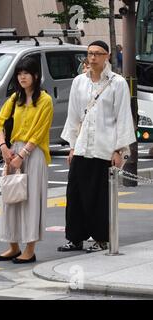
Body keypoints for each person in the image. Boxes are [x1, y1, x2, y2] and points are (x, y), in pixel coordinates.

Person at [58, 40, 136, 253]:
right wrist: (72, 146)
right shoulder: (78, 82)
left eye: (97, 54)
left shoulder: (117, 83)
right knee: (75, 194)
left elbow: (123, 117)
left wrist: (119, 150)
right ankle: (75, 238)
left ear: (107, 56)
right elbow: (74, 116)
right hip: (83, 146)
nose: (92, 58)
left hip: (105, 147)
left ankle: (102, 238)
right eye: (90, 53)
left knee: (100, 197)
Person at [0, 57, 53, 264]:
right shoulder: (14, 98)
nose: (22, 77)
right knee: (11, 199)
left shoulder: (45, 100)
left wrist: (21, 155)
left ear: (36, 75)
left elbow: (39, 132)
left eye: (26, 73)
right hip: (13, 150)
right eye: (19, 73)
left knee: (30, 201)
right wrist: (3, 147)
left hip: (33, 153)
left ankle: (30, 248)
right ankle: (13, 246)